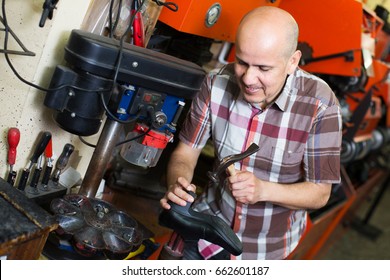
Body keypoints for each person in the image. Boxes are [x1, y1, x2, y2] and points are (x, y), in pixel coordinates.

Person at [160, 6, 342, 260]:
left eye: (264, 69)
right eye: (242, 62)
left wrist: (263, 190)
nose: (248, 78)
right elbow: (187, 151)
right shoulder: (215, 83)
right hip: (207, 225)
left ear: (293, 61)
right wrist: (177, 184)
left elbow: (320, 193)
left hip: (265, 248)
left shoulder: (320, 104)